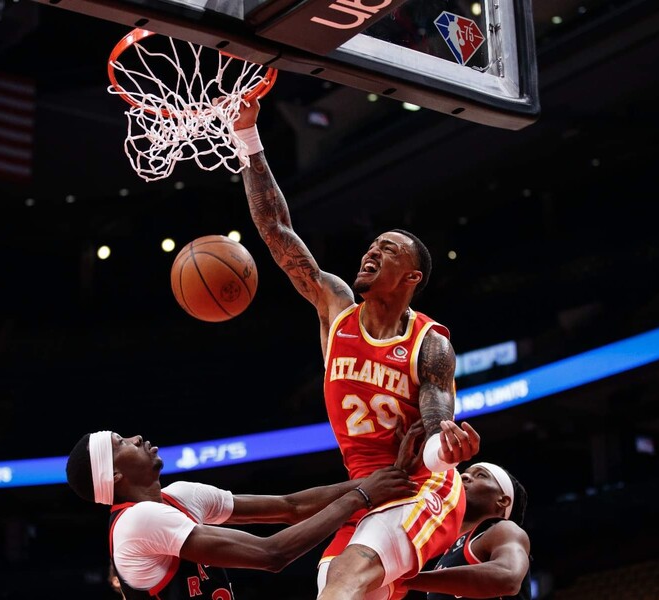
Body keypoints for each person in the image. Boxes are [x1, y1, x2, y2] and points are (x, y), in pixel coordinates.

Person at [233, 100, 481, 600]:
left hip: (421, 487)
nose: (371, 251)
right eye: (373, 245)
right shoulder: (336, 309)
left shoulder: (428, 344)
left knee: (346, 576)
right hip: (363, 494)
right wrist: (247, 135)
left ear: (412, 278)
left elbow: (435, 430)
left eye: (388, 249)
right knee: (332, 584)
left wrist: (447, 447)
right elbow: (277, 232)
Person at [65, 429, 428, 599]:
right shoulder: (137, 521)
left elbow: (291, 508)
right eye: (120, 444)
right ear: (113, 476)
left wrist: (389, 475)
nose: (135, 437)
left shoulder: (178, 497)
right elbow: (271, 555)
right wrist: (362, 496)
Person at [403, 462, 531, 600]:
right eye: (465, 472)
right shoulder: (445, 552)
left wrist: (407, 581)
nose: (464, 476)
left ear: (503, 501)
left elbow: (509, 577)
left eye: (480, 475)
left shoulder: (504, 530)